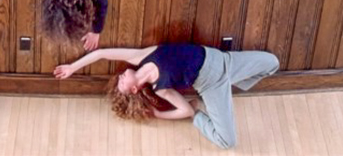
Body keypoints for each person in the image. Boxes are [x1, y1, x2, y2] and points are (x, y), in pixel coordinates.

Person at [53, 44, 280, 149]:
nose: (120, 76)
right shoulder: (160, 88)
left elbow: (102, 53)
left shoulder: (141, 56)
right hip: (212, 84)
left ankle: (230, 88)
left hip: (223, 60)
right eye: (122, 83)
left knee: (273, 63)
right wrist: (157, 113)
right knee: (227, 142)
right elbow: (186, 111)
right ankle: (217, 103)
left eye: (119, 78)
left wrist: (73, 67)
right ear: (134, 90)